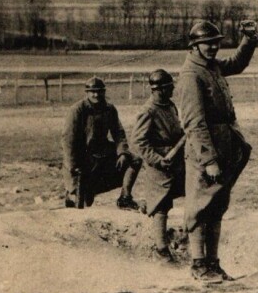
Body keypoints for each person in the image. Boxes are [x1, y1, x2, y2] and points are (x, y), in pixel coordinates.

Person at [178, 20, 258, 283]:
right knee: (200, 207)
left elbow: (236, 64)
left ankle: (213, 264)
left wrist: (248, 39)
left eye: (216, 42)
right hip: (205, 153)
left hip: (223, 148)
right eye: (207, 43)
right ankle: (199, 265)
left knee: (217, 206)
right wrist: (210, 160)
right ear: (195, 46)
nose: (213, 47)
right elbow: (194, 122)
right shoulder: (191, 75)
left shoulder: (210, 66)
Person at [62, 77, 142, 210]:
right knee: (80, 204)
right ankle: (73, 194)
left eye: (99, 91)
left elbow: (118, 132)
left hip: (103, 151)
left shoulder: (109, 109)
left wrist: (122, 152)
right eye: (92, 91)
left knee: (134, 161)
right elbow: (68, 140)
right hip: (83, 156)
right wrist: (73, 165)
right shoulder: (77, 110)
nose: (96, 95)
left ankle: (125, 198)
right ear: (86, 93)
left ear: (104, 92)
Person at [132, 69, 185, 263]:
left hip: (176, 160)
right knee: (160, 205)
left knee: (189, 192)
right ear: (159, 90)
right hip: (159, 164)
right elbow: (139, 142)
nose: (172, 90)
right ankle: (161, 249)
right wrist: (157, 159)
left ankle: (185, 236)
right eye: (169, 87)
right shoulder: (148, 111)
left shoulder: (170, 106)